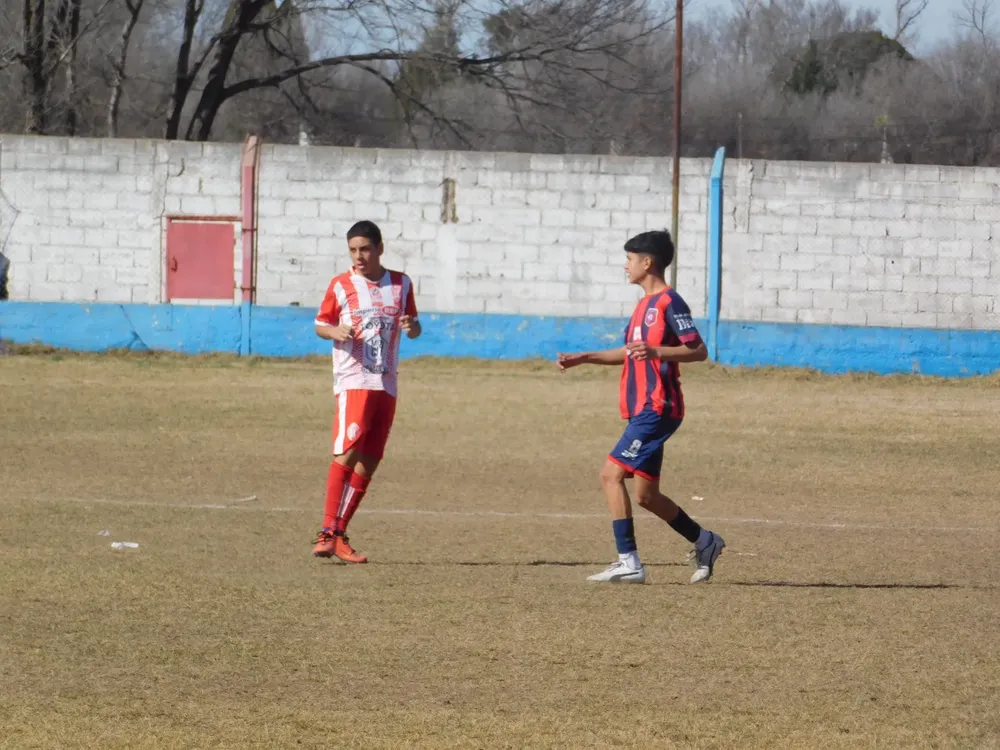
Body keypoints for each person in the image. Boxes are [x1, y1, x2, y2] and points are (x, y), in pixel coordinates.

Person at [556, 230, 725, 584]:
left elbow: (698, 350)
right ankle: (705, 541)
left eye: (630, 259)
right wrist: (584, 358)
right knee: (647, 496)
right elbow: (629, 352)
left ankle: (628, 561)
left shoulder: (669, 302)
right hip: (641, 409)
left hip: (658, 407)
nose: (625, 266)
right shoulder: (641, 306)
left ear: (647, 262)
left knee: (609, 475)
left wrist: (657, 352)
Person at [311, 220, 421, 563]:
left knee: (369, 461)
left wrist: (412, 325)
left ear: (379, 249)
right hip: (354, 380)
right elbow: (319, 324)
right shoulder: (341, 285)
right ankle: (326, 532)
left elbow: (414, 328)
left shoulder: (401, 284)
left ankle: (339, 533)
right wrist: (335, 331)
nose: (359, 256)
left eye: (365, 249)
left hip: (386, 383)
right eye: (353, 250)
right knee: (347, 453)